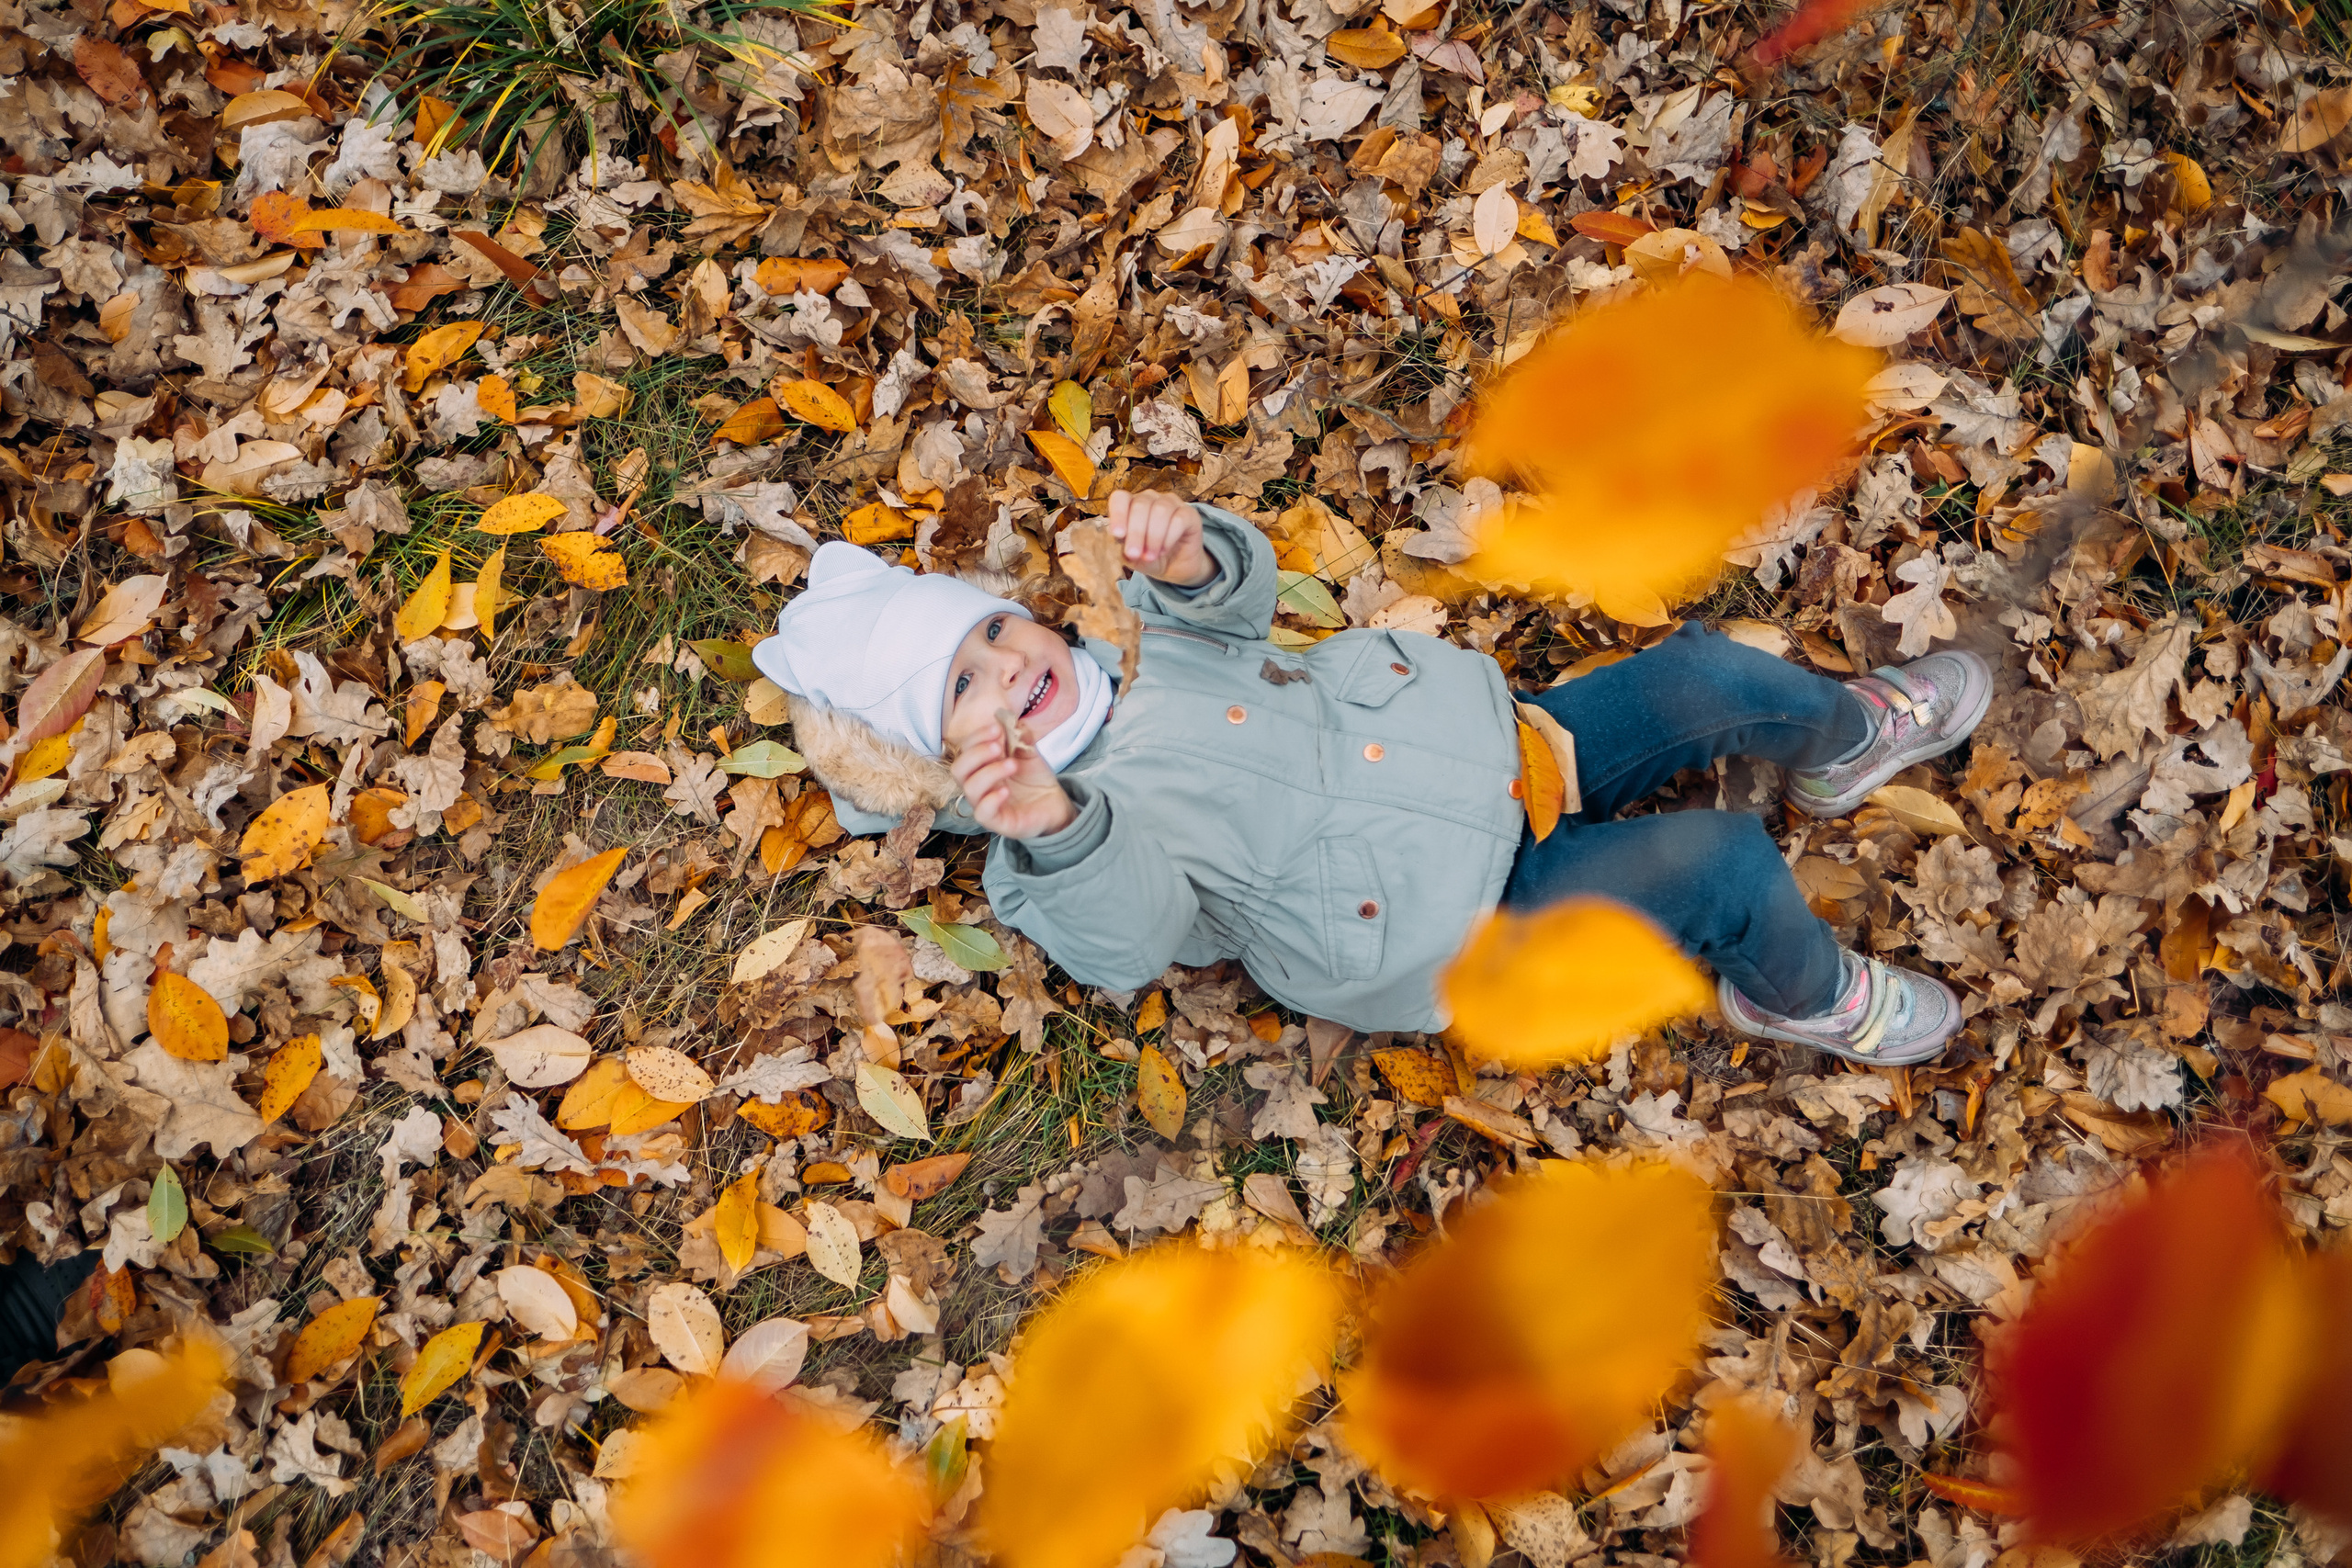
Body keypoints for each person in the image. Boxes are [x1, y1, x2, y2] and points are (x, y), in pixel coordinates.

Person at [752, 493, 1991, 1066]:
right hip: (1468, 916)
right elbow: (1129, 936)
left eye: (991, 633)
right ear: (944, 760)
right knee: (1722, 867)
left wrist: (1190, 562)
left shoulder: (1134, 650)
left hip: (1511, 749)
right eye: (960, 689)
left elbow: (1228, 611)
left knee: (1709, 675)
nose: (1006, 669)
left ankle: (1842, 740)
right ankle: (1803, 995)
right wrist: (1058, 825)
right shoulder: (1052, 846)